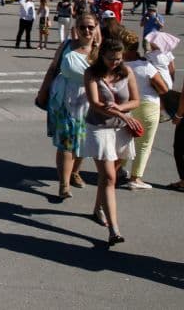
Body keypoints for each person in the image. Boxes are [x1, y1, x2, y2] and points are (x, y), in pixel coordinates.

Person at [83, 38, 142, 247]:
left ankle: (98, 208)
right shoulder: (91, 73)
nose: (115, 63)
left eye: (119, 59)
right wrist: (122, 114)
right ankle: (114, 230)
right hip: (99, 128)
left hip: (121, 130)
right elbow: (95, 103)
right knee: (109, 177)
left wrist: (120, 111)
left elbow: (136, 100)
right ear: (102, 56)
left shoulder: (126, 72)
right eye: (111, 59)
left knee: (109, 176)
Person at [38, 13, 102, 200]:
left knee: (82, 141)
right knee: (66, 142)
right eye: (83, 27)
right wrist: (43, 91)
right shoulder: (66, 46)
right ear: (76, 28)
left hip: (89, 100)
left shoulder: (100, 51)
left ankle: (75, 172)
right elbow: (52, 68)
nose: (87, 30)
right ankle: (64, 184)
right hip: (64, 100)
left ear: (96, 27)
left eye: (91, 27)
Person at [122, 32, 168, 190]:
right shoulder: (146, 66)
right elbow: (163, 88)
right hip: (148, 105)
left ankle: (117, 169)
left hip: (127, 106)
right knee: (144, 144)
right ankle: (135, 178)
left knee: (124, 140)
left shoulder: (119, 66)